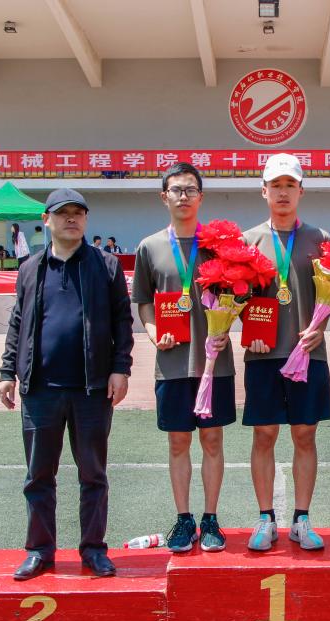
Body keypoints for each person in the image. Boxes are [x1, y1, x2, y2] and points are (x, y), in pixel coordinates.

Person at [0, 188, 134, 581]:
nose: (71, 219)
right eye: (63, 213)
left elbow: (122, 321)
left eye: (78, 212)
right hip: (40, 390)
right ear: (47, 220)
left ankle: (93, 550)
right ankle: (40, 551)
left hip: (92, 390)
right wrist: (7, 371)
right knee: (39, 476)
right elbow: (18, 322)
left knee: (93, 475)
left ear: (86, 219)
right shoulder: (30, 268)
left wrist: (120, 368)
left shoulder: (105, 266)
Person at [131, 162, 235, 553]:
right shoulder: (150, 247)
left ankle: (210, 519)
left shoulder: (220, 246)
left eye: (190, 190)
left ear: (200, 197)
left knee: (212, 439)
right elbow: (143, 300)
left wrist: (228, 325)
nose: (183, 196)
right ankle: (183, 518)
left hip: (214, 362)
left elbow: (238, 294)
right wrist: (152, 332)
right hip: (172, 362)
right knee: (178, 442)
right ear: (164, 197)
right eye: (176, 190)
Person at [241, 154, 330, 552]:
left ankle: (301, 519)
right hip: (263, 354)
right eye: (275, 185)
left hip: (309, 353)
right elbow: (232, 297)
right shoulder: (247, 241)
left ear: (301, 191)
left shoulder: (320, 239)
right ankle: (265, 518)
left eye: (289, 185)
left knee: (305, 434)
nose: (282, 192)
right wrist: (250, 331)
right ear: (264, 191)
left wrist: (321, 327)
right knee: (264, 434)